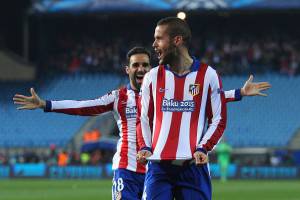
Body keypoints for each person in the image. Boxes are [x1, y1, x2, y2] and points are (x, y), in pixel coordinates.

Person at [13, 46, 270, 200]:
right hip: (126, 169)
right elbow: (85, 106)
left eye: (145, 64)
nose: (141, 69)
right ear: (127, 69)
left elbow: (206, 99)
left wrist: (238, 93)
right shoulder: (119, 97)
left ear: (152, 67)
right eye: (135, 65)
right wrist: (46, 105)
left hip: (157, 170)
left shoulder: (165, 92)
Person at [136, 17, 270, 200]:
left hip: (193, 168)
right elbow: (143, 117)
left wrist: (203, 148)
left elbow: (218, 119)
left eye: (159, 38)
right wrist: (145, 146)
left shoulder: (208, 75)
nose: (153, 44)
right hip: (159, 168)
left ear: (177, 40)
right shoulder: (152, 77)